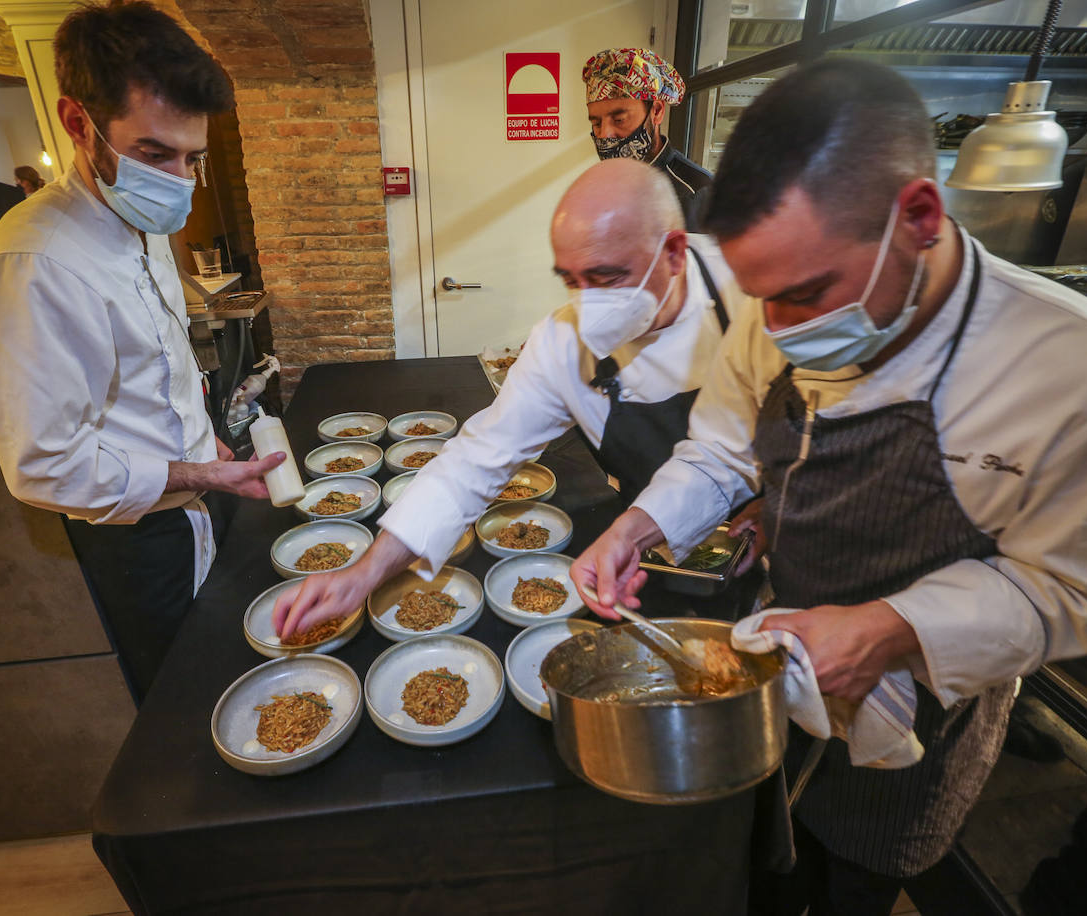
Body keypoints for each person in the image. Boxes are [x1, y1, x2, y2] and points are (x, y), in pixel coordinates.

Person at [569, 59, 1087, 915]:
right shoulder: (780, 296)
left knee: (856, 884)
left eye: (808, 294)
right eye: (760, 299)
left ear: (920, 217)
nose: (778, 328)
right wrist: (638, 526)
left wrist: (892, 628)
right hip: (779, 665)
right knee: (767, 867)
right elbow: (720, 452)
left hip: (919, 721)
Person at [273, 158, 744, 640]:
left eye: (605, 279)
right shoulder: (563, 341)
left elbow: (755, 441)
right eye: (570, 280)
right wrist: (364, 573)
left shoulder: (753, 289)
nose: (588, 304)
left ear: (673, 252)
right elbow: (476, 460)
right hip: (645, 541)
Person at [0, 0, 284, 700]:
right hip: (143, 541)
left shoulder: (138, 218)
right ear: (79, 123)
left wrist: (205, 449)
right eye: (153, 154)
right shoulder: (35, 264)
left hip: (199, 493)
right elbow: (43, 465)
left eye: (192, 158)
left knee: (244, 680)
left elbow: (152, 369)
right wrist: (189, 472)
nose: (177, 180)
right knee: (186, 706)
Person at [582, 48, 711, 230]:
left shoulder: (697, 194)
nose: (604, 134)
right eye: (596, 123)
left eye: (619, 120)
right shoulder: (606, 184)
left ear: (656, 111)